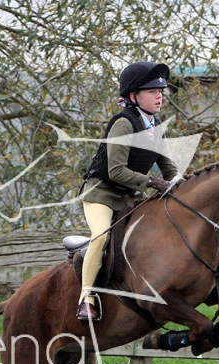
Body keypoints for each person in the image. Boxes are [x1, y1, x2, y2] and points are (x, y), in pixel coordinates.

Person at [77, 61, 179, 321]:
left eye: (160, 91)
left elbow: (170, 169)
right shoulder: (123, 124)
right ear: (133, 96)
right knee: (101, 236)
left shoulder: (155, 127)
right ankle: (86, 298)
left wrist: (183, 185)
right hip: (102, 194)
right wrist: (152, 182)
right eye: (152, 92)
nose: (159, 96)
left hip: (130, 198)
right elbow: (116, 171)